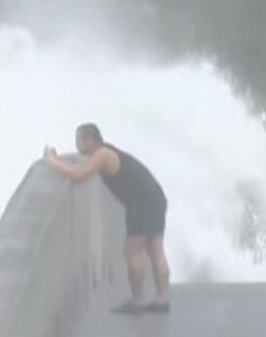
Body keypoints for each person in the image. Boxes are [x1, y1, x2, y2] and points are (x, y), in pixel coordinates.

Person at [45, 123, 171, 314]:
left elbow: (80, 176)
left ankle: (138, 302)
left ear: (89, 140)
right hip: (155, 199)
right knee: (155, 249)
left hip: (141, 205)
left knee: (132, 252)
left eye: (79, 141)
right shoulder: (109, 152)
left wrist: (53, 161)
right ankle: (162, 300)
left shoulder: (103, 155)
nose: (77, 146)